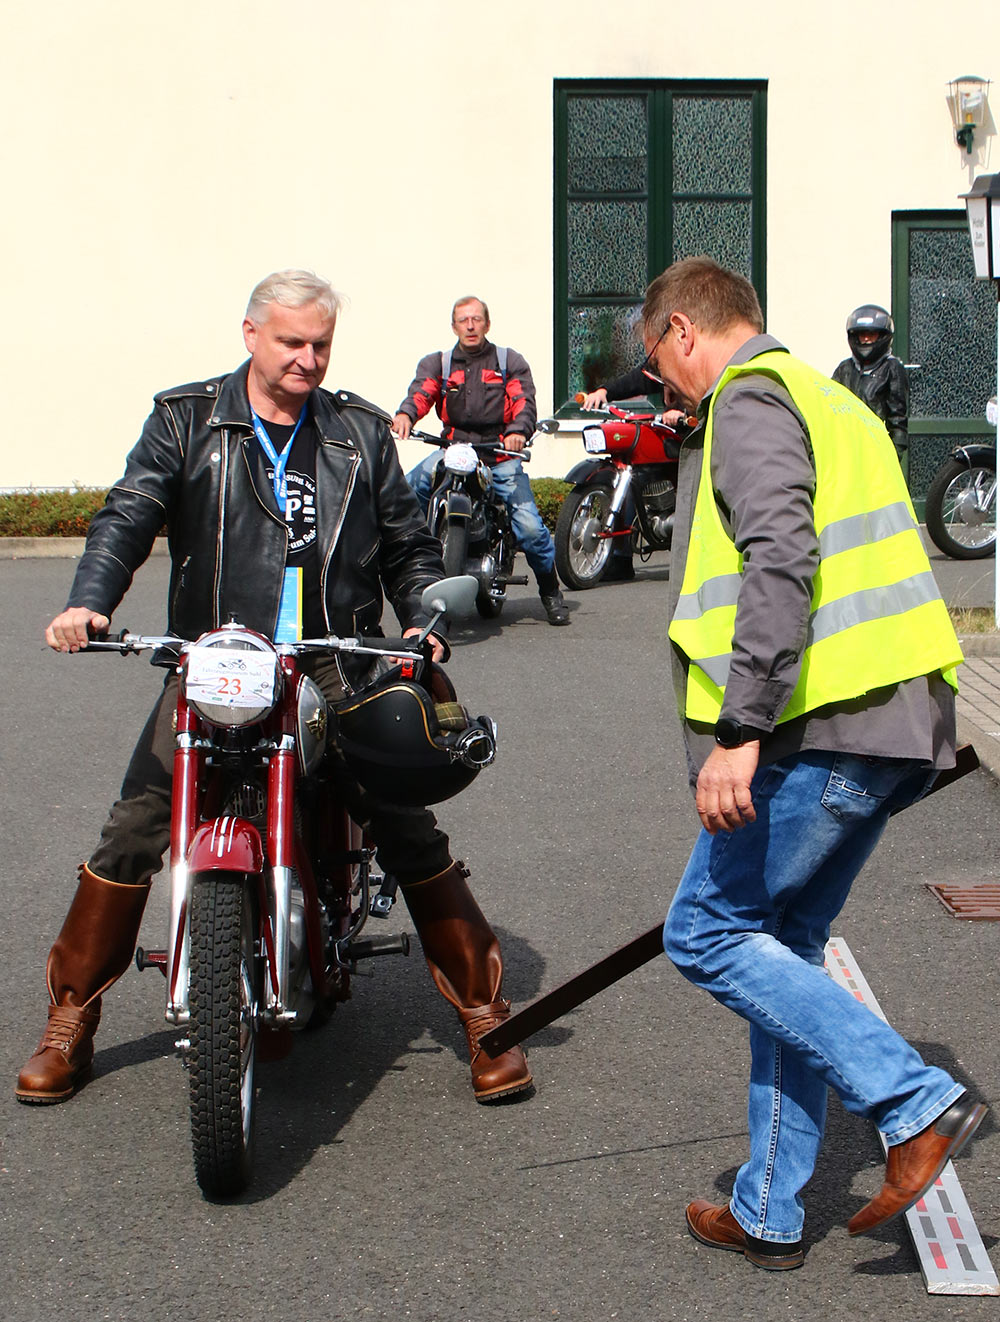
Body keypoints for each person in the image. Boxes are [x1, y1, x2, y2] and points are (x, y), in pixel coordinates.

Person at [16, 269, 532, 1109]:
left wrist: (423, 614)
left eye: (320, 344)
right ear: (251, 334)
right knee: (135, 826)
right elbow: (129, 512)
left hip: (332, 656)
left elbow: (407, 543)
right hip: (217, 654)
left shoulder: (358, 431)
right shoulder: (186, 419)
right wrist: (89, 601)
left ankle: (485, 1013)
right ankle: (69, 1017)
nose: (308, 358)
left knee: (402, 819)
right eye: (292, 341)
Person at [642, 256, 985, 1270]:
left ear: (681, 329)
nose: (665, 386)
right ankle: (770, 1208)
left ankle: (913, 1101)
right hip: (891, 723)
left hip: (823, 725)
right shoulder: (833, 402)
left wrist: (738, 731)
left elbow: (780, 558)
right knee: (782, 944)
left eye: (658, 361)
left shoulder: (750, 400)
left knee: (705, 932)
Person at [391, 296, 569, 625]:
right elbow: (421, 392)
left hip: (499, 454)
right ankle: (411, 568)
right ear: (454, 326)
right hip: (454, 450)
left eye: (476, 319)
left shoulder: (508, 361)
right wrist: (406, 415)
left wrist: (518, 432)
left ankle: (550, 591)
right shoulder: (439, 364)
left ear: (487, 324)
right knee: (405, 492)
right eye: (463, 320)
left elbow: (523, 400)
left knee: (530, 528)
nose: (470, 326)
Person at [580, 365, 691, 581]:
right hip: (670, 432)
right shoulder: (663, 367)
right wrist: (604, 392)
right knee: (633, 475)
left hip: (695, 434)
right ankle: (620, 557)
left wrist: (686, 412)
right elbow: (636, 380)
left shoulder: (693, 365)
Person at [832, 304, 908, 462]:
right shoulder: (844, 368)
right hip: (843, 448)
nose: (866, 339)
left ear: (882, 336)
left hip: (875, 451)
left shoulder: (891, 368)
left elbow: (898, 419)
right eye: (862, 335)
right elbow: (829, 405)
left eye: (871, 334)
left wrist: (892, 457)